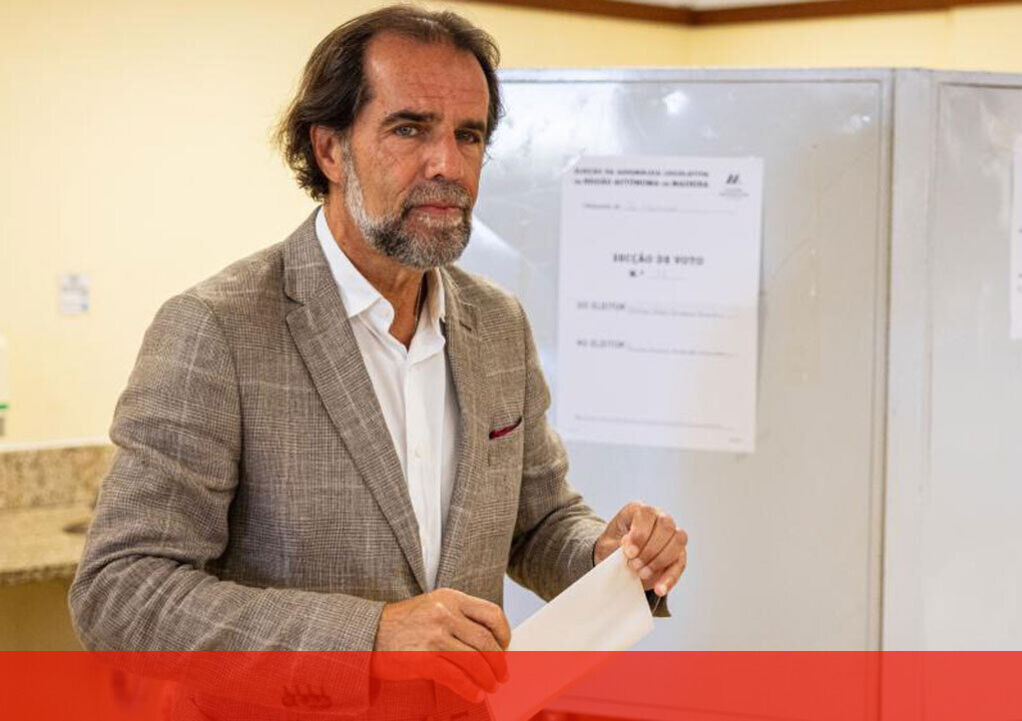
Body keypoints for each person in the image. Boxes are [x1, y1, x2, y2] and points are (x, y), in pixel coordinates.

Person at [68, 5, 688, 718]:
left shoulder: (497, 324)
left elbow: (536, 521)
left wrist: (601, 555)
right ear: (330, 150)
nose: (447, 165)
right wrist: (370, 639)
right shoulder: (218, 330)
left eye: (468, 135)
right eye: (409, 129)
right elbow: (121, 590)